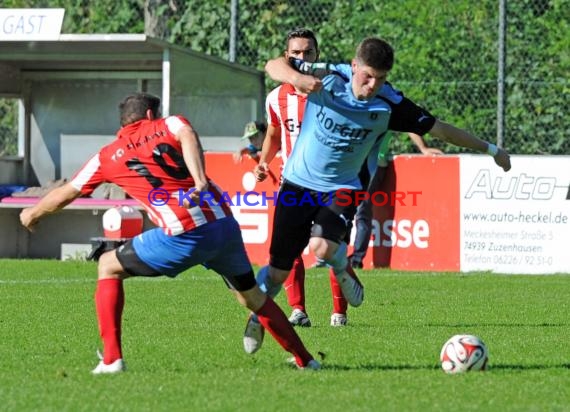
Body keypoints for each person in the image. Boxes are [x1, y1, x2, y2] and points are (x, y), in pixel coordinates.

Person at [244, 36, 511, 354]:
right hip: (297, 183)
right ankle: (257, 317)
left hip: (343, 186)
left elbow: (440, 128)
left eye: (381, 78)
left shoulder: (389, 102)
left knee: (321, 246)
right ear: (354, 66)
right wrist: (300, 79)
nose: (372, 85)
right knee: (277, 272)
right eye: (367, 76)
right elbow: (273, 65)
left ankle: (342, 265)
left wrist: (491, 149)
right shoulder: (331, 75)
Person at [19, 92, 321, 373]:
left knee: (107, 265)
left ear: (123, 122)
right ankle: (306, 360)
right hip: (224, 227)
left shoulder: (107, 156)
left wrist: (32, 213)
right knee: (252, 297)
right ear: (151, 113)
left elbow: (69, 192)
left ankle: (112, 361)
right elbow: (186, 134)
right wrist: (200, 179)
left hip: (185, 233)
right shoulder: (171, 123)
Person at [252, 28, 351, 332]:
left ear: (316, 55)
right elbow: (274, 133)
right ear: (286, 55)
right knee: (288, 246)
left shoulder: (333, 90)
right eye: (296, 53)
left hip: (331, 182)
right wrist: (262, 162)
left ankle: (339, 312)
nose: (302, 58)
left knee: (332, 245)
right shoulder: (276, 98)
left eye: (308, 52)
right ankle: (298, 310)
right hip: (293, 182)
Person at [348, 132, 443, 269]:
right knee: (345, 209)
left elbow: (410, 125)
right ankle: (332, 257)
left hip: (374, 166)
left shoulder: (388, 111)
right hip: (354, 165)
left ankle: (356, 260)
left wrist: (423, 148)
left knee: (362, 211)